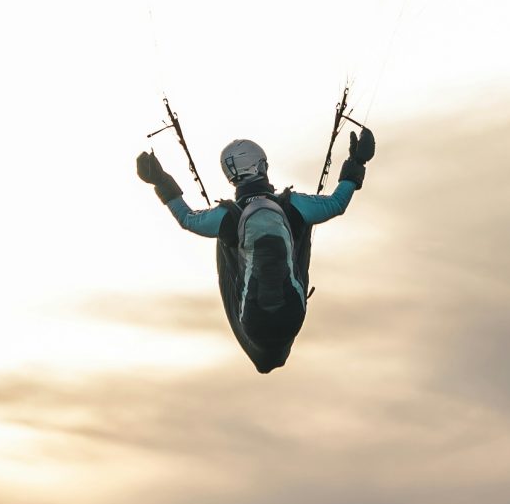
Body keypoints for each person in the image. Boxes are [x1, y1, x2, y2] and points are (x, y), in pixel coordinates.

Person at [135, 129, 376, 373]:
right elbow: (337, 203)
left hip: (255, 324)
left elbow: (187, 218)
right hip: (291, 315)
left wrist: (160, 180)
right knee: (300, 228)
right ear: (263, 167)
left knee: (225, 242)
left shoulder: (225, 217)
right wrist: (358, 162)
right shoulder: (294, 205)